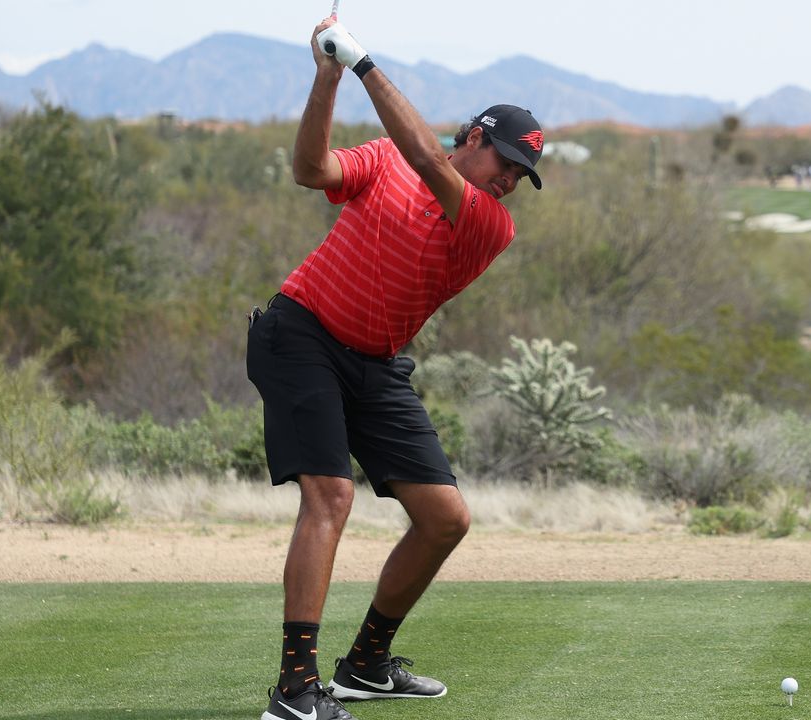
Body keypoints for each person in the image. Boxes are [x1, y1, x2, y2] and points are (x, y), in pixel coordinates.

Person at [249, 15, 544, 720]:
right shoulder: (384, 159)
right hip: (302, 336)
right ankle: (295, 691)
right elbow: (310, 171)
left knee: (445, 519)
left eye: (520, 173)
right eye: (504, 160)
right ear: (474, 136)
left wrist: (362, 64)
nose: (509, 178)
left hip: (376, 366)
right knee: (332, 497)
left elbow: (429, 164)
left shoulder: (487, 222)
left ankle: (367, 665)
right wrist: (326, 80)